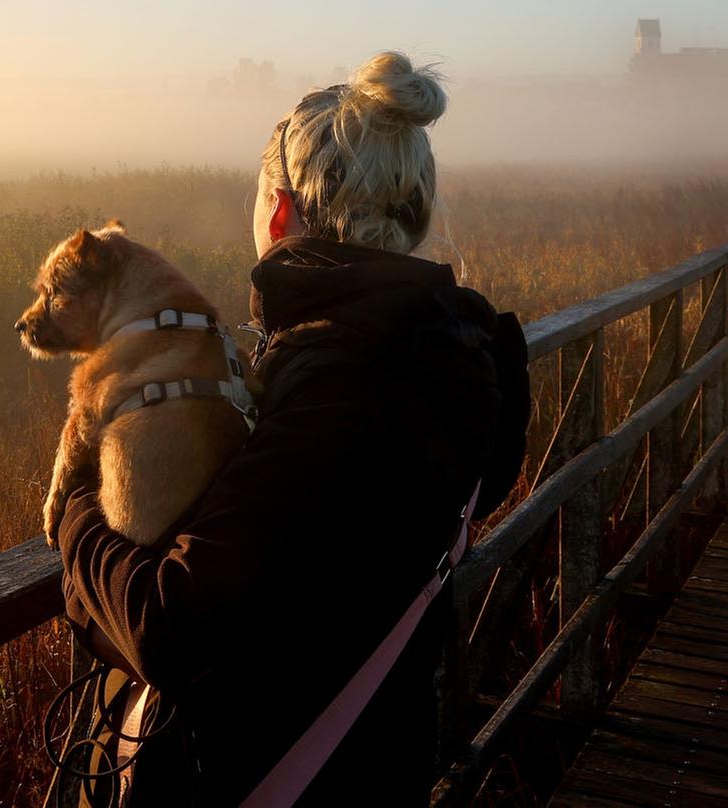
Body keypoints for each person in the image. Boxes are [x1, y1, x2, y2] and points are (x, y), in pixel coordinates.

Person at [54, 51, 532, 806]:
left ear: (279, 212)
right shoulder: (459, 354)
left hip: (267, 771)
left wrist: (78, 501)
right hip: (379, 753)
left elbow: (167, 625)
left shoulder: (343, 384)